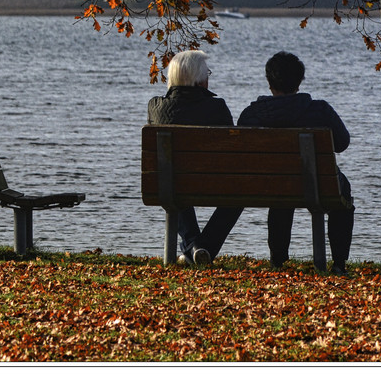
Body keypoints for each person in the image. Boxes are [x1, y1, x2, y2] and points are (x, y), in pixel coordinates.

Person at [198, 51, 355, 272]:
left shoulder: (252, 114)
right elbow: (343, 143)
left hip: (267, 185)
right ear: (299, 82)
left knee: (281, 193)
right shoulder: (320, 110)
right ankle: (338, 264)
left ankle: (278, 261)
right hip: (319, 185)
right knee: (342, 195)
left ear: (270, 83)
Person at [148, 49, 232, 265]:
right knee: (238, 196)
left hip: (167, 185)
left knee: (172, 180)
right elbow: (230, 152)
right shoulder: (217, 107)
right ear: (200, 80)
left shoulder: (156, 106)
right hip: (214, 185)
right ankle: (201, 249)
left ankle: (194, 247)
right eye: (207, 74)